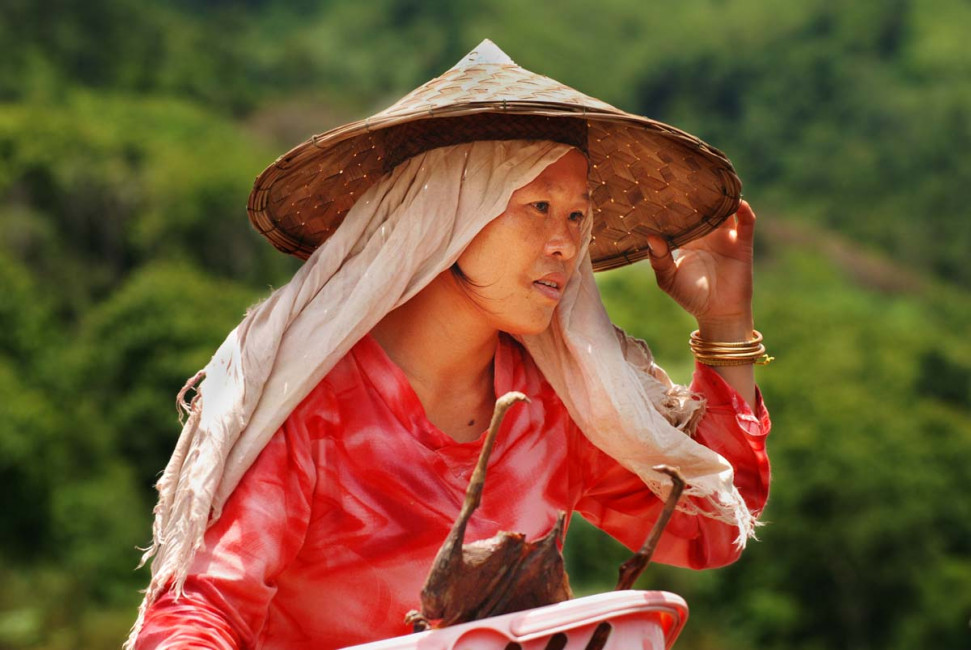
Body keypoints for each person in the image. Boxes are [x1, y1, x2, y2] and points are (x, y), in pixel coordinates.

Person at [126, 41, 771, 649]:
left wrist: (724, 325)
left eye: (577, 214)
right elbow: (202, 608)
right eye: (538, 206)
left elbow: (709, 525)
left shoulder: (557, 402)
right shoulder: (314, 409)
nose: (566, 244)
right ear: (454, 211)